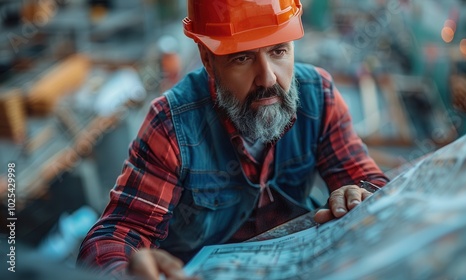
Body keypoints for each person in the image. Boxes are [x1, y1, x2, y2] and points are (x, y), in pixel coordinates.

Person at [77, 0, 389, 279]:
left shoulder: (319, 95)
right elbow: (114, 236)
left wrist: (359, 192)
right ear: (207, 60)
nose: (268, 78)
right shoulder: (172, 126)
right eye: (242, 58)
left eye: (279, 51)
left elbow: (370, 183)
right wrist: (126, 271)